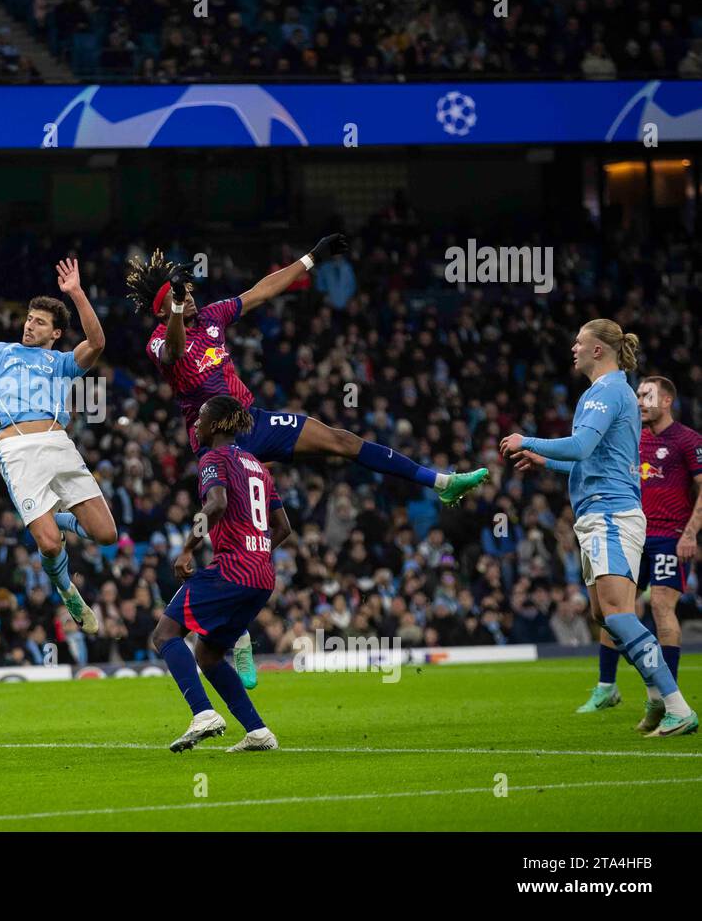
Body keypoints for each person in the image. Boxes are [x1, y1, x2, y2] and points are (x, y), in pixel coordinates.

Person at [126, 239, 489, 690]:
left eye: (189, 292)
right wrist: (177, 309)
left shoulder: (215, 317)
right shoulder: (161, 338)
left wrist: (310, 258)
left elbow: (262, 290)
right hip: (217, 444)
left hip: (252, 421)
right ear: (164, 309)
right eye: (180, 296)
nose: (191, 297)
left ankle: (441, 481)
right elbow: (176, 353)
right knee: (238, 530)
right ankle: (234, 634)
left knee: (339, 440)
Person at [504, 320, 697, 736]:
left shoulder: (608, 390)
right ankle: (657, 696)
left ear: (598, 350)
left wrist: (528, 441)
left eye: (579, 342)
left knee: (619, 614)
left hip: (610, 512)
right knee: (604, 614)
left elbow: (580, 446)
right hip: (599, 512)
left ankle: (676, 705)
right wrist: (545, 461)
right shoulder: (606, 391)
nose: (572, 348)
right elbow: (588, 458)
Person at [0, 257, 116, 634]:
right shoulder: (0, 352)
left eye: (40, 322)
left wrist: (77, 293)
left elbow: (97, 342)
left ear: (55, 333)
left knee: (106, 535)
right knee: (49, 545)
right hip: (17, 451)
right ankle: (66, 588)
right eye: (29, 319)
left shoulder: (62, 361)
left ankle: (60, 516)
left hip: (58, 444)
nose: (30, 325)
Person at [151, 395, 293, 752]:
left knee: (165, 633)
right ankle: (258, 731)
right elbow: (284, 527)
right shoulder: (258, 466)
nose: (195, 425)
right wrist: (257, 551)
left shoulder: (213, 458)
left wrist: (187, 548)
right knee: (209, 655)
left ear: (215, 425)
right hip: (262, 575)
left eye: (199, 418)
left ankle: (203, 713)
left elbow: (216, 504)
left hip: (232, 569)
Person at [568, 375, 701, 728]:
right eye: (638, 394)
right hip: (632, 530)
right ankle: (611, 686)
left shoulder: (687, 440)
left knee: (658, 606)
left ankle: (667, 697)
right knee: (609, 612)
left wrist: (690, 533)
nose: (640, 400)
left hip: (668, 535)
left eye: (648, 395)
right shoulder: (632, 437)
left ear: (668, 399)